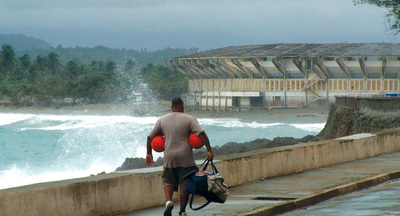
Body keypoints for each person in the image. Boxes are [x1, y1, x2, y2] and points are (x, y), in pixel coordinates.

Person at [146, 98, 213, 216]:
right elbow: (201, 134)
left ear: (172, 107)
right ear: (182, 106)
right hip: (185, 156)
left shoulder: (162, 120)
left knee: (168, 181)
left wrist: (149, 153)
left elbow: (150, 137)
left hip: (169, 156)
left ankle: (168, 201)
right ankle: (182, 211)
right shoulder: (190, 119)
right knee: (185, 184)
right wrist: (209, 150)